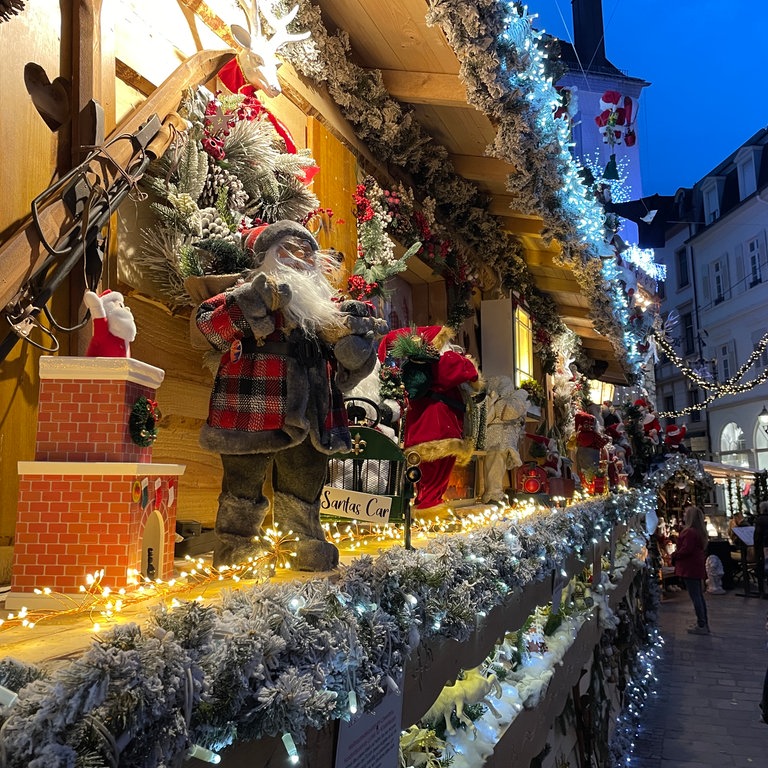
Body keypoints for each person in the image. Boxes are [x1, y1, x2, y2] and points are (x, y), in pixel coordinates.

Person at [196, 220, 387, 570]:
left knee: (304, 481)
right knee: (242, 483)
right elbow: (209, 329)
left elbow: (353, 368)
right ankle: (236, 549)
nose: (299, 258)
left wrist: (351, 344)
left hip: (313, 409)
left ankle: (304, 546)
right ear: (266, 255)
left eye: (307, 252)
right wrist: (254, 302)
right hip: (251, 405)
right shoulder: (243, 292)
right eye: (288, 249)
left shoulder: (329, 308)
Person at [672, 505, 710, 635]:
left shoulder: (689, 532)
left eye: (685, 514)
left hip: (689, 567)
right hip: (695, 566)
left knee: (695, 596)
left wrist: (675, 555)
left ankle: (701, 624)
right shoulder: (698, 532)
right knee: (698, 595)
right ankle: (703, 622)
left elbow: (686, 550)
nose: (683, 516)